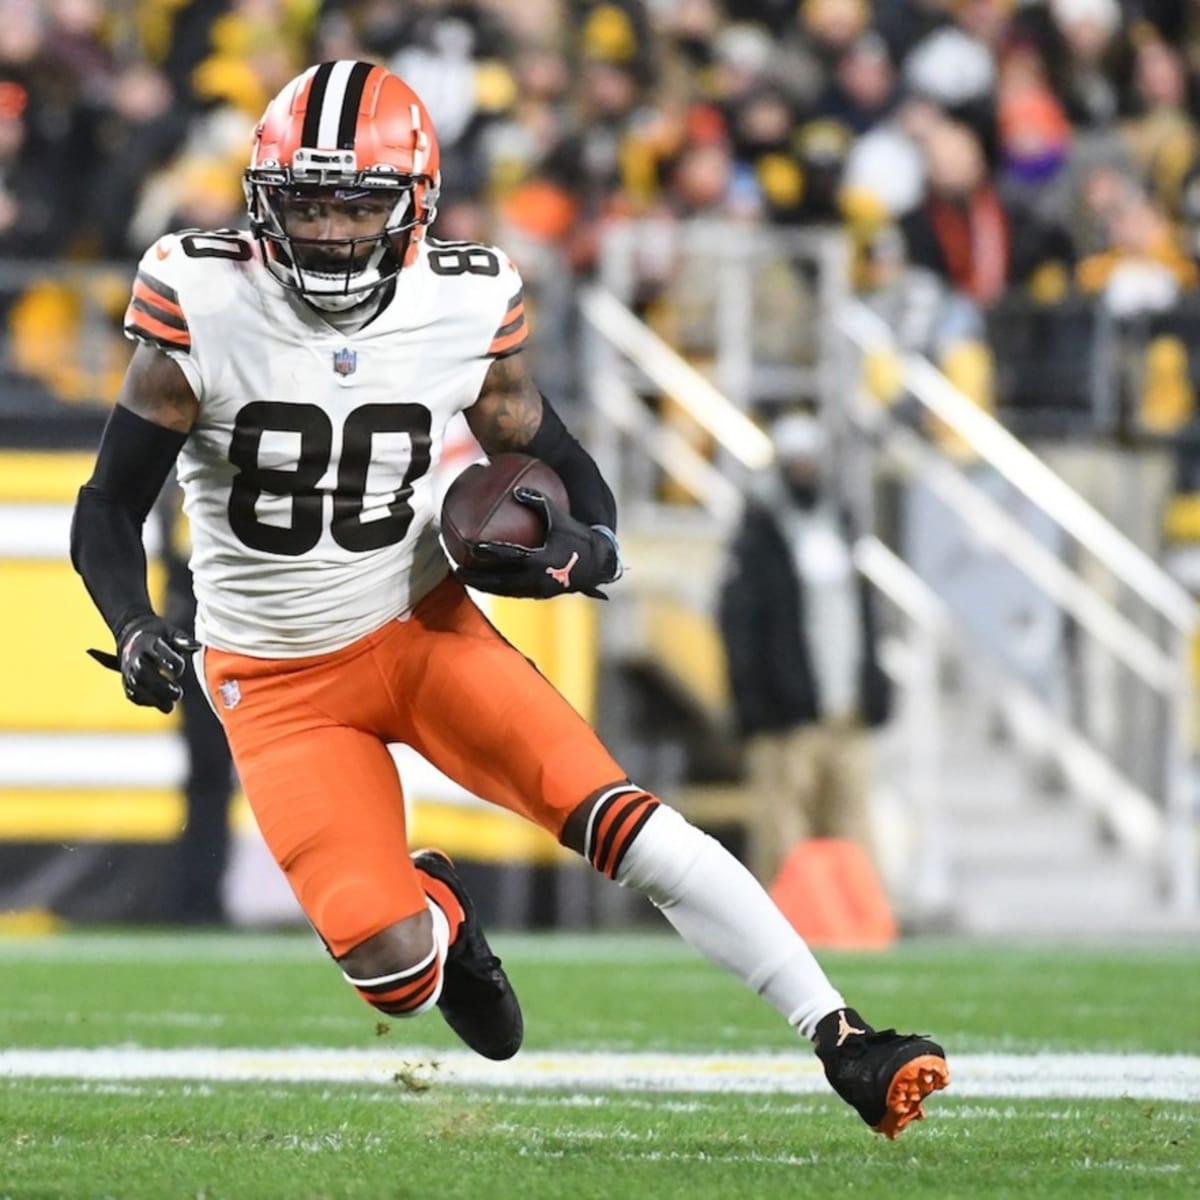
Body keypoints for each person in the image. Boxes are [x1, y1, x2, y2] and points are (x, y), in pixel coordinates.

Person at [69, 60, 948, 1137]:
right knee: (392, 972)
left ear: (418, 208)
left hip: (418, 626)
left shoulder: (468, 296)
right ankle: (439, 907)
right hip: (274, 675)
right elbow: (108, 508)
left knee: (628, 824)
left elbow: (555, 452)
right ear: (261, 204)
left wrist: (591, 546)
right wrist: (136, 626)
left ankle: (844, 1035)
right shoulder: (201, 295)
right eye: (307, 204)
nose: (334, 232)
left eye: (359, 204)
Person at [717, 412, 893, 888]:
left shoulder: (838, 522)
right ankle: (781, 929)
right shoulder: (760, 532)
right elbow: (741, 623)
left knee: (853, 824)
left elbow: (861, 615)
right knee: (782, 832)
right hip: (786, 716)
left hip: (844, 708)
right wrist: (754, 702)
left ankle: (858, 923)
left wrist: (872, 683)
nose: (806, 470)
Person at [157, 478, 237, 925]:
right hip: (208, 644)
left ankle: (200, 894)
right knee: (210, 779)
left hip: (214, 640)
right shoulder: (192, 488)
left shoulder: (182, 484)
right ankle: (199, 895)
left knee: (209, 780)